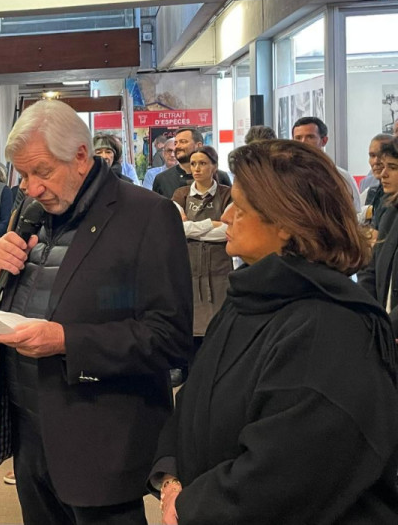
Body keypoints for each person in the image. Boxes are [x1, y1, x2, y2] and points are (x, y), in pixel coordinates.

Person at [155, 139, 398, 524]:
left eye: (240, 208)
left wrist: (190, 506)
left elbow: (287, 473)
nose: (226, 216)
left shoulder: (328, 328)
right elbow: (196, 394)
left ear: (286, 223)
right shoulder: (249, 296)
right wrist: (170, 475)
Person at [0, 100, 193, 524]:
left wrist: (68, 341)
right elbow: (14, 303)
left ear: (81, 156)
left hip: (100, 443)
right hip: (30, 434)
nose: (31, 188)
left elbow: (169, 337)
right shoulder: (30, 213)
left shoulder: (147, 215)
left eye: (42, 172)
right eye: (23, 175)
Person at [170, 147, 232, 346]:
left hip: (220, 269)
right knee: (191, 329)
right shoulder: (181, 194)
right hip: (189, 268)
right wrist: (211, 224)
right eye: (193, 164)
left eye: (203, 163)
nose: (196, 168)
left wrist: (191, 227)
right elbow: (175, 228)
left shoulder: (227, 194)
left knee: (220, 330)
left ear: (214, 166)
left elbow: (228, 231)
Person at [360, 137, 398, 327]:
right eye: (384, 166)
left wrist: (389, 327)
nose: (383, 174)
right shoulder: (390, 213)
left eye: (393, 167)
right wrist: (370, 315)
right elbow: (370, 269)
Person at [291, 116, 362, 212]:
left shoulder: (341, 177)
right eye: (298, 138)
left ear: (324, 140)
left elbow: (355, 213)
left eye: (310, 137)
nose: (303, 142)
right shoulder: (285, 175)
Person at [153, 127, 231, 198]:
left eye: (183, 142)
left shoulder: (220, 176)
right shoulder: (162, 179)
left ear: (199, 145)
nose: (177, 146)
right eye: (176, 143)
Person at [359, 134, 394, 228]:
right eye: (372, 155)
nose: (376, 161)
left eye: (381, 155)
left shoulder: (393, 197)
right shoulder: (377, 191)